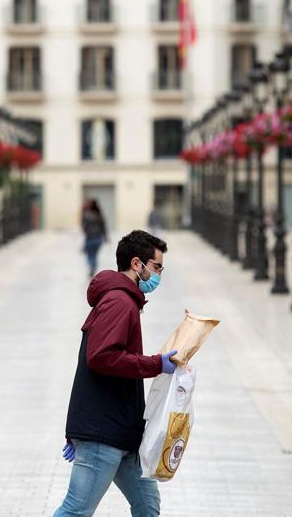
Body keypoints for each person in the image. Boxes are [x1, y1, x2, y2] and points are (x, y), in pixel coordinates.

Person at [54, 230, 177, 517]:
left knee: (147, 508)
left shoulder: (124, 300)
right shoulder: (120, 302)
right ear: (136, 264)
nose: (158, 275)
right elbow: (101, 357)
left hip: (124, 432)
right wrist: (156, 364)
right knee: (76, 510)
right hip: (104, 433)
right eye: (156, 267)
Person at [81, 200, 107, 277]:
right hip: (98, 238)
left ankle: (91, 267)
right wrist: (105, 237)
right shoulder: (99, 215)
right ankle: (93, 268)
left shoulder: (86, 215)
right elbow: (103, 227)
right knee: (95, 255)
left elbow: (84, 226)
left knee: (90, 255)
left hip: (90, 238)